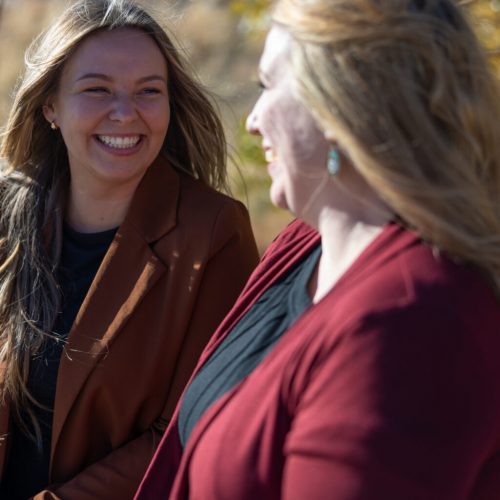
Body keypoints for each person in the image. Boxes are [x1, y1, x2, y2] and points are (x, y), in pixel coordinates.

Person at [135, 0, 500, 498]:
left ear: (338, 103)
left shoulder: (411, 321)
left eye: (267, 85)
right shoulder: (303, 245)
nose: (253, 121)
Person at [0, 0, 259, 498]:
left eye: (149, 91)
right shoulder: (7, 212)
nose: (125, 113)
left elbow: (191, 427)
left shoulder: (213, 233)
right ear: (50, 106)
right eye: (97, 89)